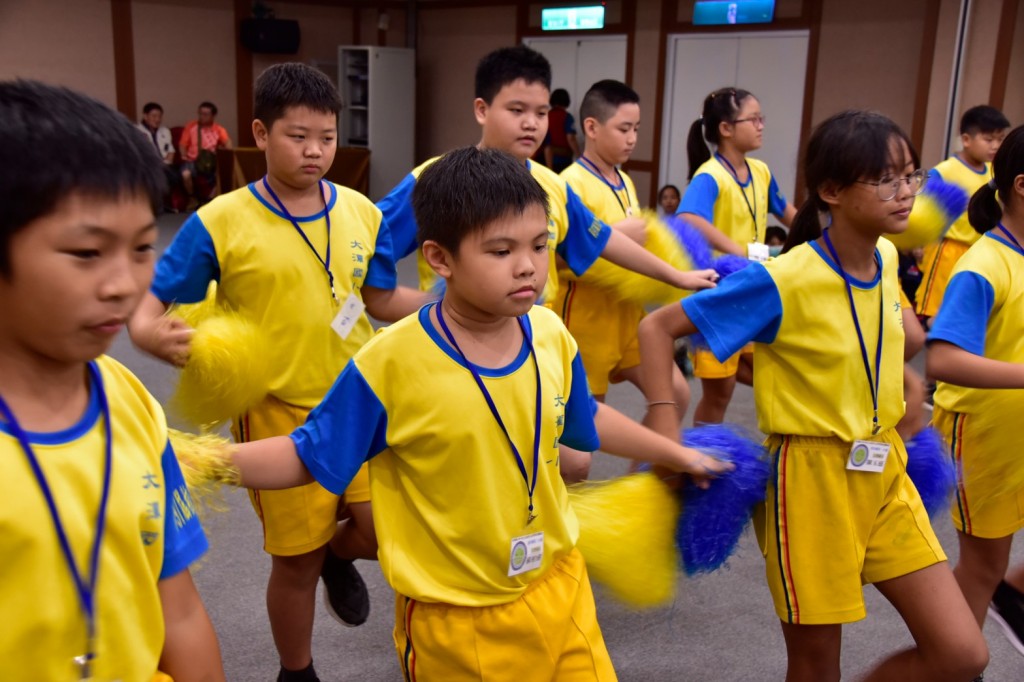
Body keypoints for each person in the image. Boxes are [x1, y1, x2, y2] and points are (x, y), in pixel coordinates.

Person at [226, 146, 731, 681]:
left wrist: (676, 453)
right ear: (440, 259)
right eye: (500, 251)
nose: (529, 266)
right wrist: (202, 460)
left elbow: (585, 422)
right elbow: (306, 455)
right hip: (456, 619)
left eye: (540, 245)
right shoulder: (390, 362)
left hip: (561, 587)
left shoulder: (551, 335)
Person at [639, 110, 988, 681]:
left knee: (962, 653)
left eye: (911, 176)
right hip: (810, 484)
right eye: (886, 179)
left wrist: (906, 387)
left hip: (884, 473)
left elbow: (873, 338)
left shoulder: (887, 256)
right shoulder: (783, 278)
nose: (906, 194)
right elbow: (657, 329)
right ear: (831, 191)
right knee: (815, 665)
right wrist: (665, 433)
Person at [129, 64, 426, 682]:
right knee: (295, 561)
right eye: (298, 136)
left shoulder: (364, 213)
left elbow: (376, 302)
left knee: (381, 532)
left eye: (327, 136)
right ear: (261, 133)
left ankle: (335, 556)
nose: (316, 150)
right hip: (276, 411)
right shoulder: (220, 221)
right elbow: (147, 304)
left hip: (364, 400)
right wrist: (150, 333)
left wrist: (449, 303)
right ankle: (297, 671)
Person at [0, 79, 223, 681]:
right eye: (86, 253)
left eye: (143, 247)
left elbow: (176, 609)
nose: (124, 285)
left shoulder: (128, 399)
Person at [377, 45, 716, 314]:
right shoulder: (436, 179)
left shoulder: (552, 184)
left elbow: (604, 239)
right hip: (459, 339)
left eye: (541, 113)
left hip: (535, 331)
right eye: (517, 110)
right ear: (482, 110)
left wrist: (677, 275)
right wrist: (414, 307)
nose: (531, 123)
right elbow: (365, 240)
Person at [555, 80, 689, 481]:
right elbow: (557, 262)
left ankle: (635, 488)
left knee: (676, 395)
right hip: (585, 325)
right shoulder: (569, 185)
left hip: (629, 322)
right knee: (578, 451)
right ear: (592, 128)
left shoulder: (625, 180)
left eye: (636, 129)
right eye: (623, 128)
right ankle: (566, 528)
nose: (632, 139)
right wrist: (618, 236)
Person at [926, 124, 1024, 663]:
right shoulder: (983, 264)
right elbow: (941, 360)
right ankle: (953, 665)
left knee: (994, 569)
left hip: (1018, 428)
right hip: (981, 434)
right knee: (983, 567)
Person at [678, 87, 796, 425]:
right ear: (726, 128)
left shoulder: (760, 170)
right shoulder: (710, 175)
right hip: (720, 290)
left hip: (753, 288)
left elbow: (788, 212)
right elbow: (688, 219)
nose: (761, 125)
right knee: (720, 394)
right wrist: (743, 251)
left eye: (762, 119)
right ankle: (700, 460)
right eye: (753, 118)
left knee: (767, 370)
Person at [914, 105, 1010, 324]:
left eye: (1000, 139)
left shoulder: (992, 173)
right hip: (948, 250)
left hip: (978, 250)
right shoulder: (945, 170)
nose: (995, 145)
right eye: (988, 139)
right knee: (936, 311)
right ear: (966, 139)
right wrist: (919, 243)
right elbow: (919, 205)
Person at [179, 101, 232, 205]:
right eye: (200, 114)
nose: (202, 117)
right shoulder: (191, 126)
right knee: (185, 174)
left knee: (225, 172)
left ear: (213, 116)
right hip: (193, 160)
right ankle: (192, 198)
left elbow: (228, 144)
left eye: (206, 114)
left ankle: (210, 199)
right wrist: (184, 155)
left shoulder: (219, 129)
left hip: (211, 161)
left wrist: (225, 152)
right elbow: (182, 144)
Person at [136, 101, 181, 211]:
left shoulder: (165, 131)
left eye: (159, 116)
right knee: (159, 175)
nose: (157, 119)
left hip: (164, 164)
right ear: (145, 116)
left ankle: (161, 205)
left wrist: (166, 162)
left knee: (174, 175)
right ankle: (157, 206)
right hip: (147, 165)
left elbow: (170, 150)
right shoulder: (136, 130)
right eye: (154, 116)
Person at [541, 87, 580, 173]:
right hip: (563, 160)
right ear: (566, 101)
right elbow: (571, 139)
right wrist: (579, 156)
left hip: (544, 160)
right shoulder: (567, 117)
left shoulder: (545, 116)